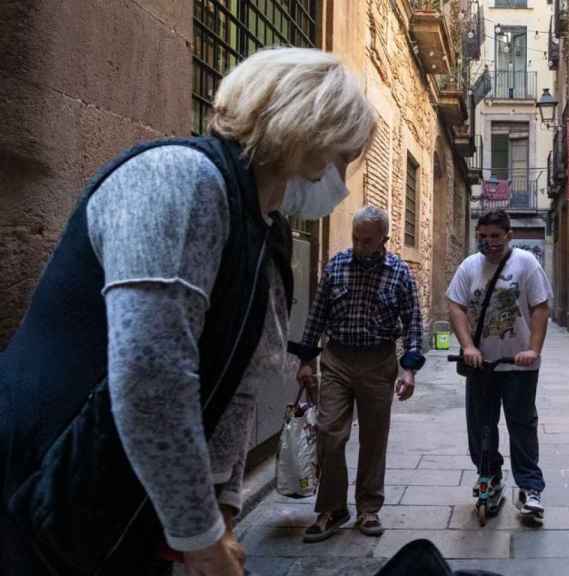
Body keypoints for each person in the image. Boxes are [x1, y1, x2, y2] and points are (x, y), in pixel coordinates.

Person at [0, 48, 376, 576]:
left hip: (126, 509)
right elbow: (151, 376)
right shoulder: (179, 179)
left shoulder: (265, 235)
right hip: (37, 490)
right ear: (309, 134)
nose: (343, 176)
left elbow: (239, 391)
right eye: (344, 156)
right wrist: (200, 539)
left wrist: (220, 512)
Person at [292, 205, 425, 542]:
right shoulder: (336, 265)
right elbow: (317, 315)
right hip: (336, 359)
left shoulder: (398, 273)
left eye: (367, 240)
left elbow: (413, 321)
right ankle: (333, 508)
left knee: (373, 438)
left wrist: (408, 369)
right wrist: (306, 360)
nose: (360, 245)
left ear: (384, 239)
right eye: (356, 238)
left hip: (378, 363)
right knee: (329, 433)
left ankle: (369, 508)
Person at [446, 209, 552, 522]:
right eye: (483, 236)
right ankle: (488, 475)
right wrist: (467, 346)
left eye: (495, 236)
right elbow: (455, 305)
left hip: (518, 367)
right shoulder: (469, 266)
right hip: (482, 367)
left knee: (521, 426)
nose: (489, 242)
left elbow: (540, 308)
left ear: (508, 235)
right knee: (481, 428)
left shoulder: (526, 263)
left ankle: (530, 488)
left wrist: (533, 350)